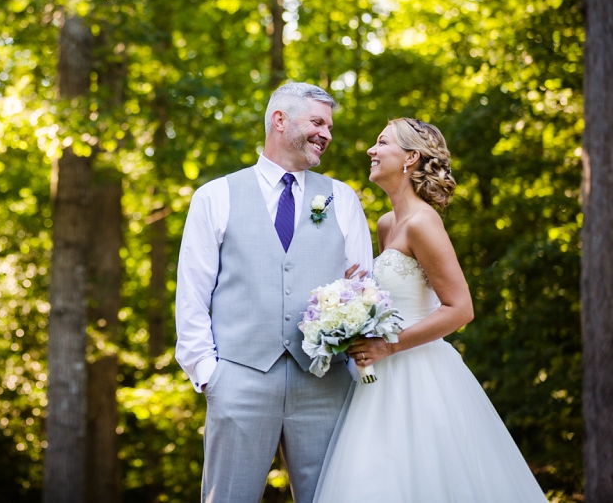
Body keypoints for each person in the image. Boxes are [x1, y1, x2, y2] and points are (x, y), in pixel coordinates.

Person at [313, 118, 548, 503]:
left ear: (410, 157)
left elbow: (460, 309)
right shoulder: (388, 223)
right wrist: (354, 292)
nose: (371, 151)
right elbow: (393, 295)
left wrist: (388, 346)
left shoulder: (424, 222)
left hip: (417, 371)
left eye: (381, 142)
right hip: (376, 377)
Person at [175, 82, 373, 503]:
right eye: (318, 122)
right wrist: (210, 375)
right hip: (239, 379)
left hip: (325, 383)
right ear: (279, 120)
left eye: (330, 126)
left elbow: (362, 288)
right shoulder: (215, 196)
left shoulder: (342, 198)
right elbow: (192, 293)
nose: (327, 134)